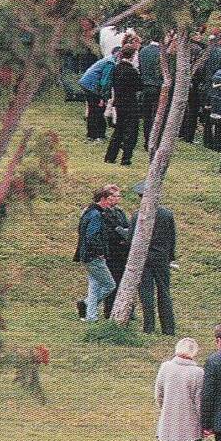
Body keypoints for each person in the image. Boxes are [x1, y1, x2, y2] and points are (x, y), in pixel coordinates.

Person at [152, 338, 203, 441]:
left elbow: (159, 393)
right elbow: (199, 401)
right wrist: (203, 421)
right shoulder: (198, 373)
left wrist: (164, 408)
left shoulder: (166, 367)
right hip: (191, 422)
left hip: (169, 418)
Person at [132, 180, 177, 336]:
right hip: (161, 257)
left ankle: (149, 327)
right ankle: (168, 328)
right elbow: (172, 238)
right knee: (164, 291)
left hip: (144, 258)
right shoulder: (167, 214)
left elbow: (132, 237)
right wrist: (170, 257)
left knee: (146, 293)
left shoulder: (138, 215)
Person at [74, 186, 119, 323]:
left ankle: (91, 316)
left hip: (86, 255)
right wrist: (99, 252)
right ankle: (87, 304)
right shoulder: (96, 215)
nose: (111, 203)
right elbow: (91, 236)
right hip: (93, 257)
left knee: (94, 287)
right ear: (103, 199)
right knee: (109, 285)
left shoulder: (88, 211)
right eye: (109, 199)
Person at [104, 41, 142, 167]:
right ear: (132, 55)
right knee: (131, 132)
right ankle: (126, 157)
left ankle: (110, 156)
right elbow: (139, 86)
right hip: (130, 103)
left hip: (119, 102)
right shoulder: (132, 71)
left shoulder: (116, 68)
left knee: (118, 130)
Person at [100, 183, 131, 317]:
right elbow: (107, 232)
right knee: (112, 282)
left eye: (119, 196)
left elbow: (127, 227)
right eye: (116, 196)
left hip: (122, 252)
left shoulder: (119, 212)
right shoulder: (103, 212)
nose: (118, 199)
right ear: (108, 197)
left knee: (122, 282)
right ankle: (109, 310)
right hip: (111, 252)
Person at [78, 52, 114, 141]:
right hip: (91, 85)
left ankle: (93, 134)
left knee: (94, 110)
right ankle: (96, 135)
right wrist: (102, 97)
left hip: (87, 83)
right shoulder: (111, 63)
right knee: (97, 110)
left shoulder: (109, 59)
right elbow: (104, 81)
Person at [137, 33, 163, 149]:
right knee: (157, 116)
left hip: (145, 86)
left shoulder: (143, 51)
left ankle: (147, 140)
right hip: (158, 87)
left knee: (147, 115)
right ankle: (154, 141)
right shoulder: (162, 53)